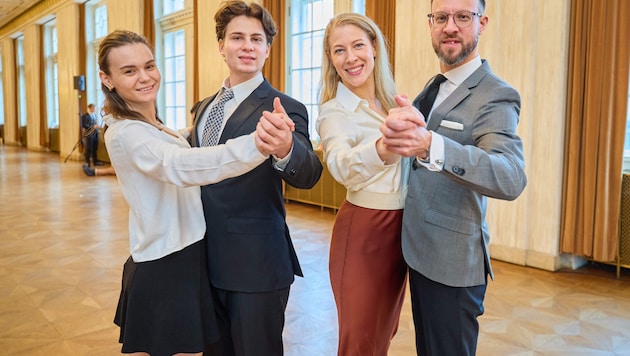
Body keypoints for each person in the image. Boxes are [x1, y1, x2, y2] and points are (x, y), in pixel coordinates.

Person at [97, 29, 288, 355]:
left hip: (184, 256)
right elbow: (181, 165)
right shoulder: (125, 133)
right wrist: (257, 143)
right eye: (129, 71)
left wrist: (211, 120)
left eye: (149, 65)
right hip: (164, 263)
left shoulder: (148, 124)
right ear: (107, 79)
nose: (145, 77)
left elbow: (175, 143)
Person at [381, 0, 527, 355]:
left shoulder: (496, 94)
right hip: (419, 252)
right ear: (430, 23)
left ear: (482, 23)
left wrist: (432, 144)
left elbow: (510, 176)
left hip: (453, 265)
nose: (450, 26)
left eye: (463, 17)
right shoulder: (433, 87)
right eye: (441, 17)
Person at [190, 2, 322, 355]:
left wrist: (285, 149)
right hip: (202, 260)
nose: (247, 46)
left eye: (256, 39)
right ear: (221, 46)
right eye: (237, 37)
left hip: (255, 265)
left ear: (267, 49)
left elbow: (309, 173)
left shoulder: (285, 107)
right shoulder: (203, 108)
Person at [316, 13, 407, 356]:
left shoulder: (392, 102)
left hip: (401, 232)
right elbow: (340, 165)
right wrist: (384, 148)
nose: (350, 57)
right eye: (339, 51)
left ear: (374, 48)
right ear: (331, 60)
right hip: (364, 230)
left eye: (357, 45)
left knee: (383, 333)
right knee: (360, 341)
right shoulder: (334, 112)